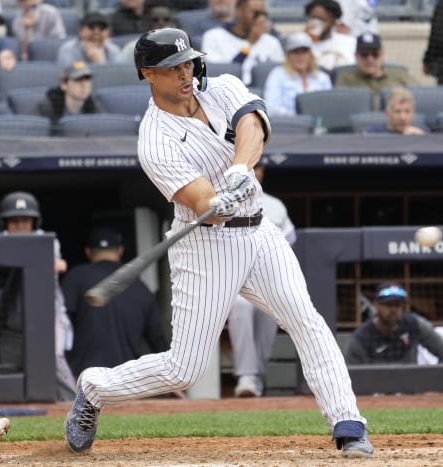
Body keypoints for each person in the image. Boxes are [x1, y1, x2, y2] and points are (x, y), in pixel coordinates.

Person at [64, 28, 373, 458]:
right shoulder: (155, 140)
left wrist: (240, 170)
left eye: (188, 63)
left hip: (261, 233)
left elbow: (253, 123)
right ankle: (94, 388)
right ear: (148, 74)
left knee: (306, 320)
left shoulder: (221, 87)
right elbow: (201, 201)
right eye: (173, 69)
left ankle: (348, 425)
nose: (186, 73)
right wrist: (217, 200)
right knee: (183, 369)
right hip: (205, 246)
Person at [0, 191, 76, 401]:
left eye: (25, 220)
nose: (21, 226)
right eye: (14, 221)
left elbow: (60, 265)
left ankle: (78, 405)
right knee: (9, 368)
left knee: (53, 360)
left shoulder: (46, 240)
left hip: (48, 317)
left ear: (34, 222)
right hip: (10, 321)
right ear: (5, 223)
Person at [61, 227, 169, 378]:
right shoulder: (140, 287)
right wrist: (170, 375)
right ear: (120, 251)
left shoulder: (75, 278)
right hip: (123, 381)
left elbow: (59, 324)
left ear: (88, 251)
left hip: (82, 378)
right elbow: (157, 339)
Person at [228, 162, 296, 397]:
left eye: (256, 168)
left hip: (268, 277)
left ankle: (258, 376)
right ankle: (247, 375)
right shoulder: (225, 200)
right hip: (235, 278)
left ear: (261, 172)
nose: (253, 173)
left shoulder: (275, 205)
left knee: (271, 311)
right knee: (240, 305)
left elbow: (290, 243)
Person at [344, 283, 443, 364]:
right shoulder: (362, 338)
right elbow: (351, 375)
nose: (394, 310)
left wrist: (438, 386)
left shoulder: (413, 324)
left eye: (398, 304)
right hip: (376, 391)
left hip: (412, 389)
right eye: (389, 304)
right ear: (376, 305)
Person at [200, 0, 284, 86]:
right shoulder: (214, 37)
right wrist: (250, 44)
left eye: (263, 14)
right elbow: (223, 74)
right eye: (256, 14)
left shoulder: (272, 42)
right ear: (239, 11)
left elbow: (281, 75)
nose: (261, 19)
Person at [334, 32, 417, 111]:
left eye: (375, 54)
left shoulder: (400, 75)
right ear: (356, 56)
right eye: (364, 54)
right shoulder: (345, 79)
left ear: (382, 55)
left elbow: (418, 97)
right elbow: (340, 107)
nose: (370, 59)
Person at [263, 31, 331, 116]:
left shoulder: (322, 78)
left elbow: (328, 107)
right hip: (289, 125)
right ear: (288, 55)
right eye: (295, 52)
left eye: (304, 52)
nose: (300, 56)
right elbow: (271, 108)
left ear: (310, 54)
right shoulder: (277, 75)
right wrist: (297, 118)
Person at [37, 61, 103, 125]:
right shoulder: (47, 108)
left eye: (87, 79)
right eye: (78, 80)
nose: (84, 84)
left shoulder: (94, 108)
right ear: (64, 85)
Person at [57, 12, 122, 69]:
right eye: (91, 27)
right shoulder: (68, 50)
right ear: (80, 31)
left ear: (108, 33)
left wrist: (100, 62)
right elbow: (70, 79)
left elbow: (117, 78)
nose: (96, 32)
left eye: (102, 28)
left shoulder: (114, 50)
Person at [304, 0, 356, 72]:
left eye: (321, 19)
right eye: (313, 18)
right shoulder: (303, 44)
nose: (315, 23)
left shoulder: (349, 42)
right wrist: (304, 38)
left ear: (333, 20)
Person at [363, 87, 428, 135]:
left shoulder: (421, 131)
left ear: (413, 113)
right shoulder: (373, 132)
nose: (403, 117)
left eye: (407, 111)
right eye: (397, 111)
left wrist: (421, 138)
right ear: (387, 114)